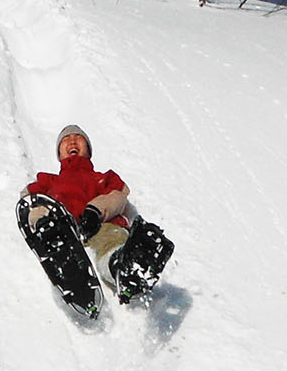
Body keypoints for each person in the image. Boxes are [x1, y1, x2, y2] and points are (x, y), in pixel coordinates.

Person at [20, 124, 173, 306]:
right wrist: (43, 219)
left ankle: (122, 268)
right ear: (59, 154)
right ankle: (64, 262)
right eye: (66, 140)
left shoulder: (103, 178)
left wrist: (95, 211)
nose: (73, 141)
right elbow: (30, 200)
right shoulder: (49, 180)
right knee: (44, 213)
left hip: (101, 224)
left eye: (79, 138)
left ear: (89, 150)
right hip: (64, 228)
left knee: (110, 239)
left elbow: (118, 197)